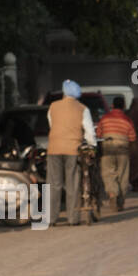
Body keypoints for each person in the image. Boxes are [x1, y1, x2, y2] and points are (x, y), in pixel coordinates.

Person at [46, 79, 96, 226]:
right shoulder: (82, 108)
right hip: (73, 149)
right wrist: (92, 145)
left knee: (53, 184)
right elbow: (89, 131)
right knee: (72, 184)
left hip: (54, 148)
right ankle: (73, 219)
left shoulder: (53, 106)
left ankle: (50, 218)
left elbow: (52, 124)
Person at [95, 96, 137, 211]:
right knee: (122, 176)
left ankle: (112, 194)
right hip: (123, 150)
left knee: (108, 173)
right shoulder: (127, 120)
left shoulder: (104, 118)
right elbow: (132, 138)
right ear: (123, 106)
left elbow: (98, 134)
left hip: (107, 149)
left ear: (112, 106)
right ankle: (120, 202)